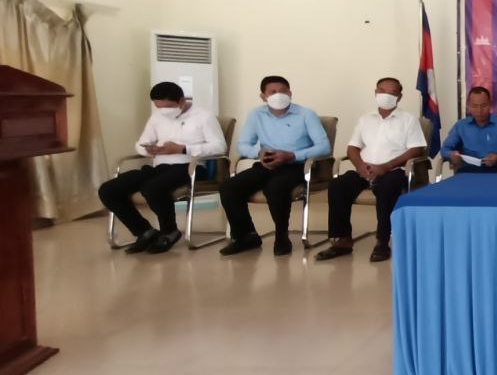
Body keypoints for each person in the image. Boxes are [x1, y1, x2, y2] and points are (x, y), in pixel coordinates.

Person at [97, 82, 226, 254]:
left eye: (168, 107)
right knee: (108, 190)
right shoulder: (156, 118)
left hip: (190, 167)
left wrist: (183, 149)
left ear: (182, 100)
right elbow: (141, 143)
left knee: (152, 187)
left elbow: (219, 146)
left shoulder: (203, 116)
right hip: (160, 166)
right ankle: (144, 231)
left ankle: (169, 231)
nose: (163, 111)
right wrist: (148, 150)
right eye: (159, 107)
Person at [316, 77, 426, 264]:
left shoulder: (408, 120)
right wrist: (360, 165)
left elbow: (416, 149)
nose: (386, 95)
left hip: (393, 170)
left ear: (399, 97)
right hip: (364, 169)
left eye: (392, 92)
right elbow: (352, 148)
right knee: (338, 185)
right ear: (375, 93)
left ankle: (382, 242)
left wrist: (386, 166)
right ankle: (341, 241)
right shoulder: (365, 119)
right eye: (382, 91)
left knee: (387, 187)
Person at [219, 75, 331, 256]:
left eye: (283, 91)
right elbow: (243, 145)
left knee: (275, 186)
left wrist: (292, 155)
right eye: (272, 92)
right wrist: (259, 153)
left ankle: (281, 236)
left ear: (290, 94)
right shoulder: (256, 114)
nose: (279, 95)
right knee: (228, 187)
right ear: (263, 96)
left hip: (297, 165)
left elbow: (324, 147)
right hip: (267, 163)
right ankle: (245, 236)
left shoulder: (306, 114)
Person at [443, 86, 497, 174]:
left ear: (490, 104)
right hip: (467, 174)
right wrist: (451, 155)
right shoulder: (460, 126)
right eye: (475, 106)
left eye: (484, 105)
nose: (479, 110)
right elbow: (445, 149)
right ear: (468, 106)